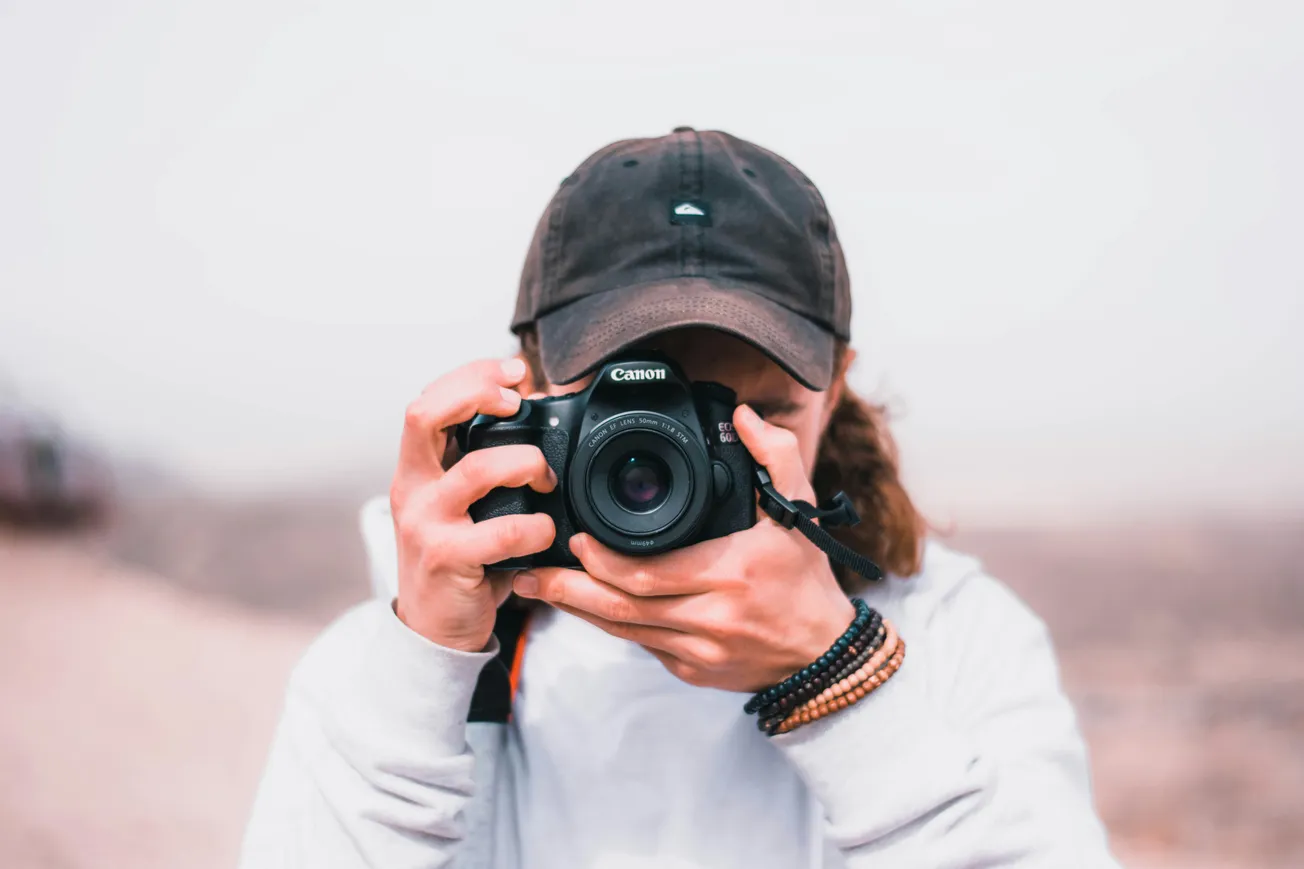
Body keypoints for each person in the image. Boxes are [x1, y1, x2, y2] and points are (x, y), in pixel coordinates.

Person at [239, 128, 1123, 868]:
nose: (682, 467)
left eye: (755, 415)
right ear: (534, 385)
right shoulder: (385, 674)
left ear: (836, 386)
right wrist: (425, 661)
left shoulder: (961, 641)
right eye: (634, 414)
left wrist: (842, 678)